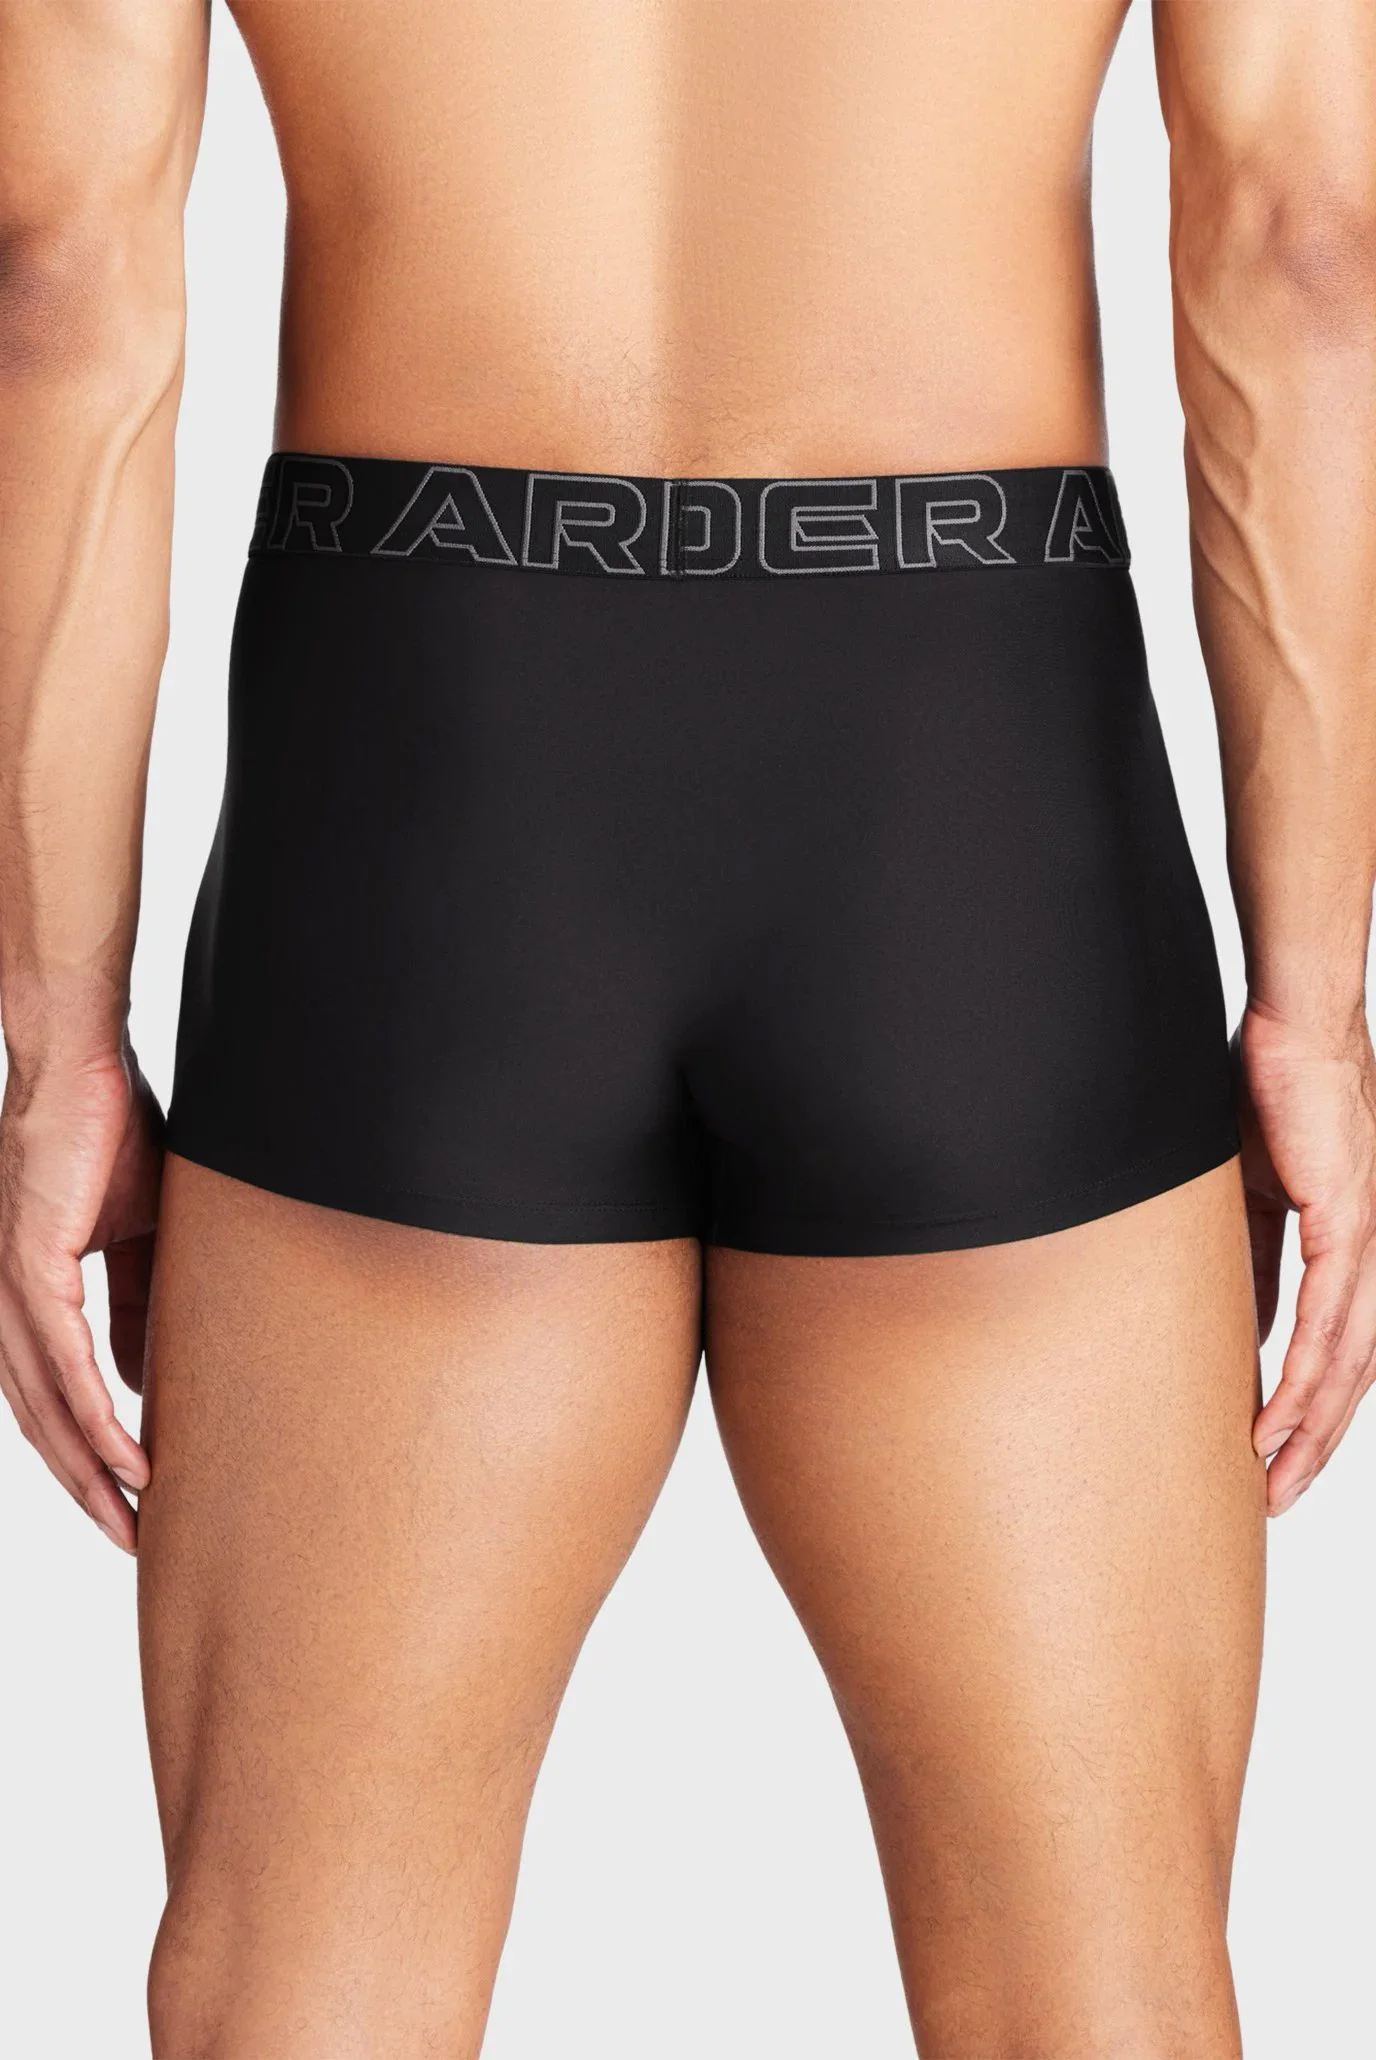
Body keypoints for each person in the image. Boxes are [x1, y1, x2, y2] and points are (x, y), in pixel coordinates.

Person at [1, 0, 1374, 2053]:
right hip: (965, 780)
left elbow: (55, 266)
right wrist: (1312, 1007)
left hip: (426, 766)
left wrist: (58, 1038)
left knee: (305, 1983)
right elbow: (1303, 238)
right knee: (1093, 1995)